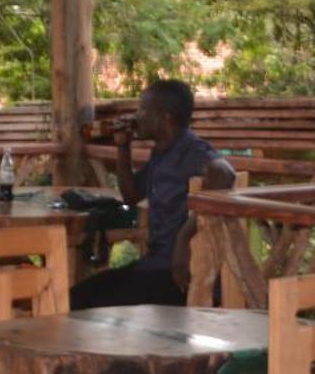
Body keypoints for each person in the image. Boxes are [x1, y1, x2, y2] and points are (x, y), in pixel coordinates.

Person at [72, 79, 237, 311]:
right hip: (155, 267)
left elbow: (225, 173)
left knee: (85, 304)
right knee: (76, 298)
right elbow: (130, 195)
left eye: (143, 109)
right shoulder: (161, 155)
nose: (137, 116)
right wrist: (123, 147)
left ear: (165, 117)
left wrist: (184, 238)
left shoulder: (191, 150)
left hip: (178, 274)